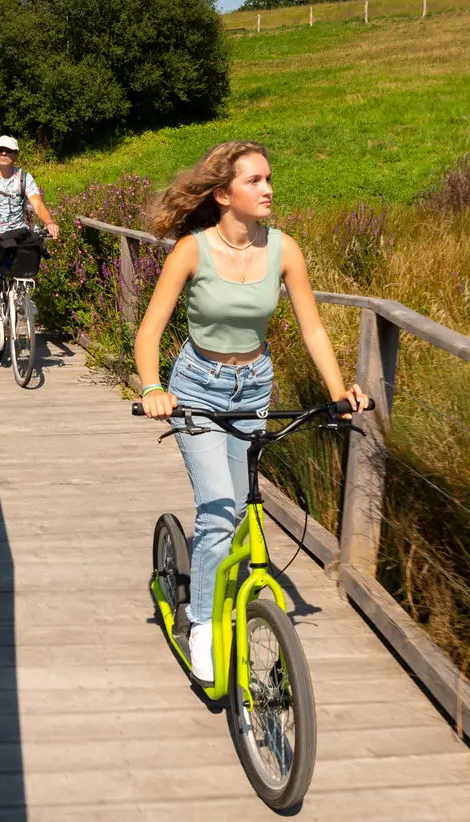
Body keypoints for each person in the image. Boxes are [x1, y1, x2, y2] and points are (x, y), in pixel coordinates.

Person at [134, 140, 369, 682]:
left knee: (240, 508)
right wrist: (152, 388)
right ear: (223, 194)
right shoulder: (192, 251)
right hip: (197, 388)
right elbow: (151, 331)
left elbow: (312, 326)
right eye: (255, 181)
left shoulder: (285, 250)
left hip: (253, 388)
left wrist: (340, 392)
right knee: (217, 512)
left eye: (269, 179)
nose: (268, 189)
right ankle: (201, 624)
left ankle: (232, 596)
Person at [0, 135, 59, 363]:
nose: (4, 154)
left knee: (25, 269)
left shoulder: (24, 178)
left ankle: (23, 299)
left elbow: (36, 202)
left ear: (16, 154)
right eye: (0, 150)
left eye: (8, 151)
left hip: (16, 235)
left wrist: (49, 222)